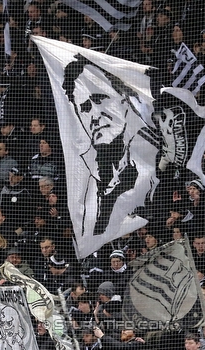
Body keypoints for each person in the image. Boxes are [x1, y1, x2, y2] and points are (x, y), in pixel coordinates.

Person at [62, 55, 160, 246]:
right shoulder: (86, 174)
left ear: (124, 101)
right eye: (84, 108)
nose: (94, 115)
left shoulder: (153, 156)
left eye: (99, 100)